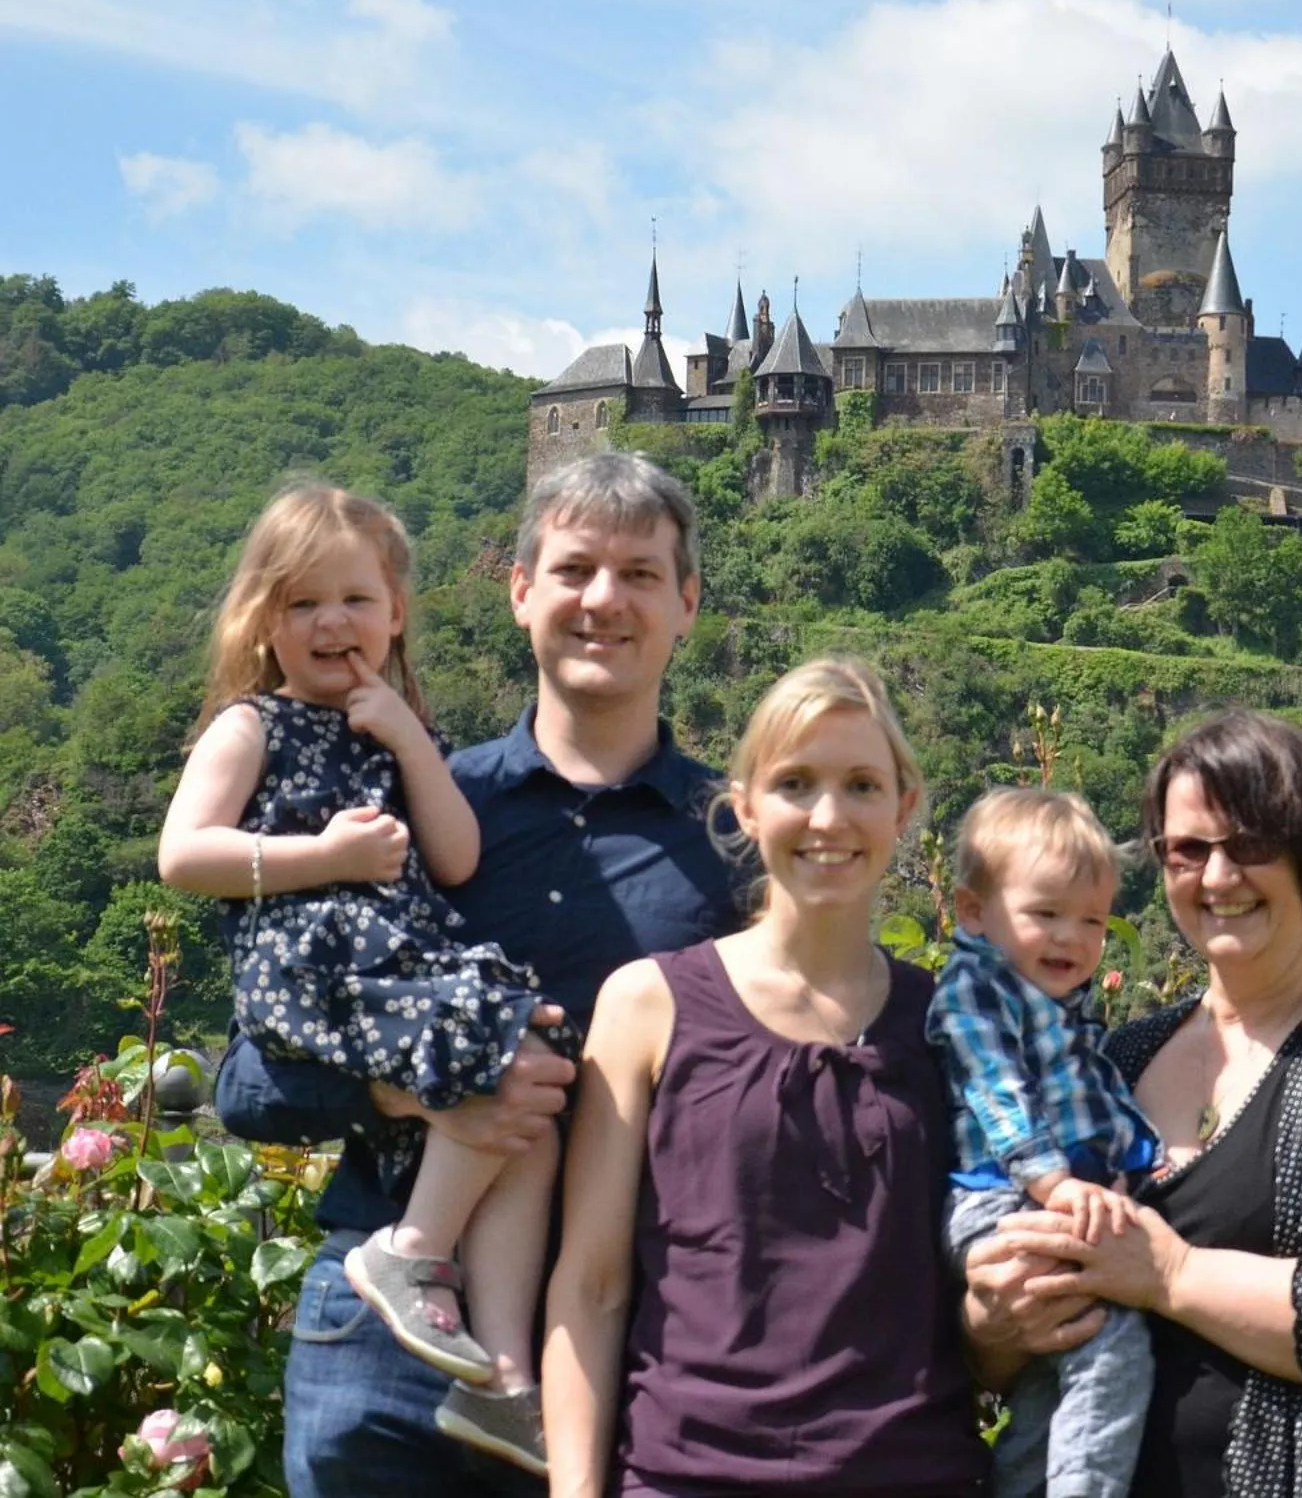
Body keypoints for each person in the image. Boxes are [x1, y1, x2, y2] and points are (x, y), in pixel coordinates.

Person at [214, 453, 738, 1498]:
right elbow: (247, 1081)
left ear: (686, 604)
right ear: (519, 590)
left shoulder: (736, 841)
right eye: (575, 567)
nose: (603, 599)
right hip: (385, 1335)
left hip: (632, 1345)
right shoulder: (399, 800)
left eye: (639, 574)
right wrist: (412, 1090)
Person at [963, 708, 1302, 1496]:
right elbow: (1008, 1333)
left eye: (1250, 844)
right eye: (1188, 849)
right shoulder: (1117, 1059)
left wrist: (1172, 1273)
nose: (1218, 877)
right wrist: (990, 1328)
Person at [161, 484, 575, 1473]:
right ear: (265, 622)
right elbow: (184, 854)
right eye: (303, 602)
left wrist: (402, 735)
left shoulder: (405, 733)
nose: (331, 621)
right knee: (492, 1037)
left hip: (389, 966)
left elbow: (459, 853)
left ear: (396, 614)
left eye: (354, 598)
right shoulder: (251, 726)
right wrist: (324, 858)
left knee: (532, 1076)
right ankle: (414, 1245)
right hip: (312, 962)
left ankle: (505, 1375)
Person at [544, 657, 988, 1498]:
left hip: (913, 1473)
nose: (829, 814)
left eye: (861, 783)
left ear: (903, 806)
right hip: (688, 1473)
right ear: (744, 804)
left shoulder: (950, 1023)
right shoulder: (648, 1004)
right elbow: (592, 1284)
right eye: (795, 782)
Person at [926, 787, 1158, 1498]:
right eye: (1045, 914)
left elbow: (1103, 1101)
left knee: (1046, 1377)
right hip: (1001, 1201)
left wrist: (1147, 1160)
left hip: (1040, 1195)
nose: (1071, 938)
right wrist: (1055, 1183)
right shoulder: (977, 988)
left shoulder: (1066, 1011)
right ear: (973, 912)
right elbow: (997, 1093)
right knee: (1112, 1336)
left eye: (1091, 920)